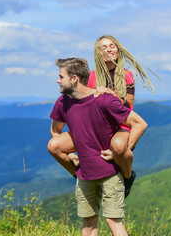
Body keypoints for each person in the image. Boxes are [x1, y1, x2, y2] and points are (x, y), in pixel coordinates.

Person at [47, 35, 157, 198]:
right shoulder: (91, 76)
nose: (108, 49)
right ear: (97, 53)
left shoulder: (127, 75)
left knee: (120, 147)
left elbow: (127, 105)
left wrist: (109, 93)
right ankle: (80, 176)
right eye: (103, 47)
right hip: (94, 126)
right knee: (54, 146)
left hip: (119, 125)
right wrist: (71, 153)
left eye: (112, 46)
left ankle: (127, 178)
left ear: (118, 50)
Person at [49, 58, 148, 235]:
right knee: (88, 224)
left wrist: (123, 151)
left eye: (60, 77)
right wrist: (70, 155)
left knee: (114, 222)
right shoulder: (62, 103)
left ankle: (127, 176)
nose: (57, 81)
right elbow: (56, 131)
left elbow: (139, 124)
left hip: (110, 172)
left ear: (74, 79)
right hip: (84, 174)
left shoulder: (104, 101)